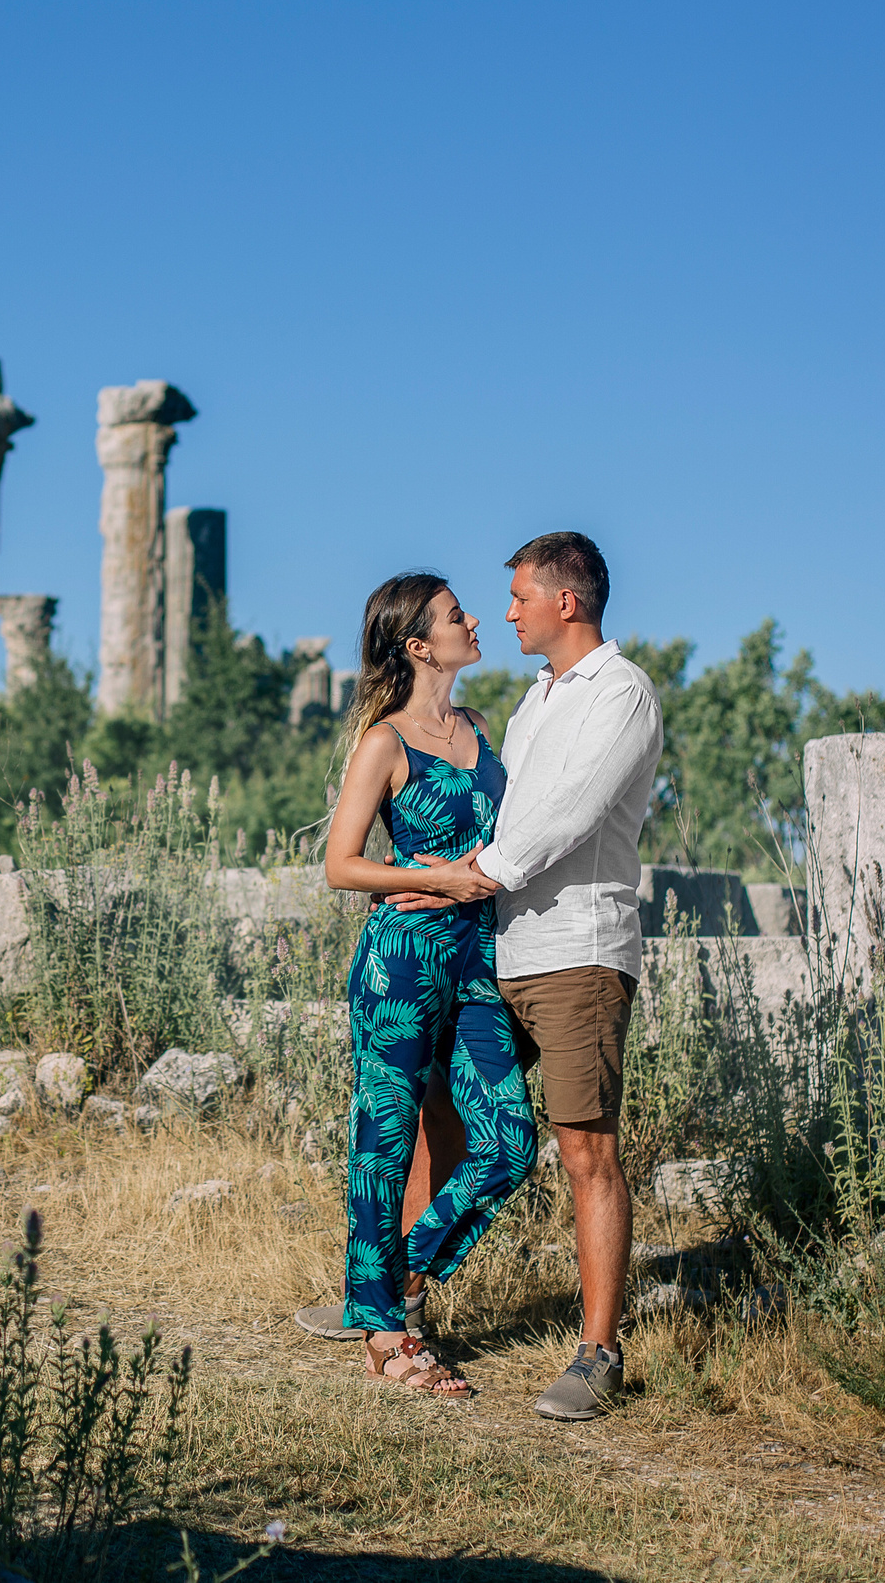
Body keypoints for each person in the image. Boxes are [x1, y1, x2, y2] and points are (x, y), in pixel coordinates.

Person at [388, 532, 661, 1420]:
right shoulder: (535, 697)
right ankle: (401, 1301)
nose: (505, 612)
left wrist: (471, 873)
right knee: (443, 1112)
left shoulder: (619, 693)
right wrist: (449, 875)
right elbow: (513, 810)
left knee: (586, 1148)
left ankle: (597, 1353)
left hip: (578, 953)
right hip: (500, 948)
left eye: (518, 597)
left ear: (565, 602)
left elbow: (570, 815)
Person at [321, 572, 541, 1397]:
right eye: (457, 615)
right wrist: (442, 879)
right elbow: (341, 863)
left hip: (477, 963)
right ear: (419, 645)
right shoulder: (385, 741)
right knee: (385, 1143)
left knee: (509, 1141)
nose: (475, 619)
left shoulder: (482, 730)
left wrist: (469, 883)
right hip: (402, 963)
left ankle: (394, 1283)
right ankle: (385, 1337)